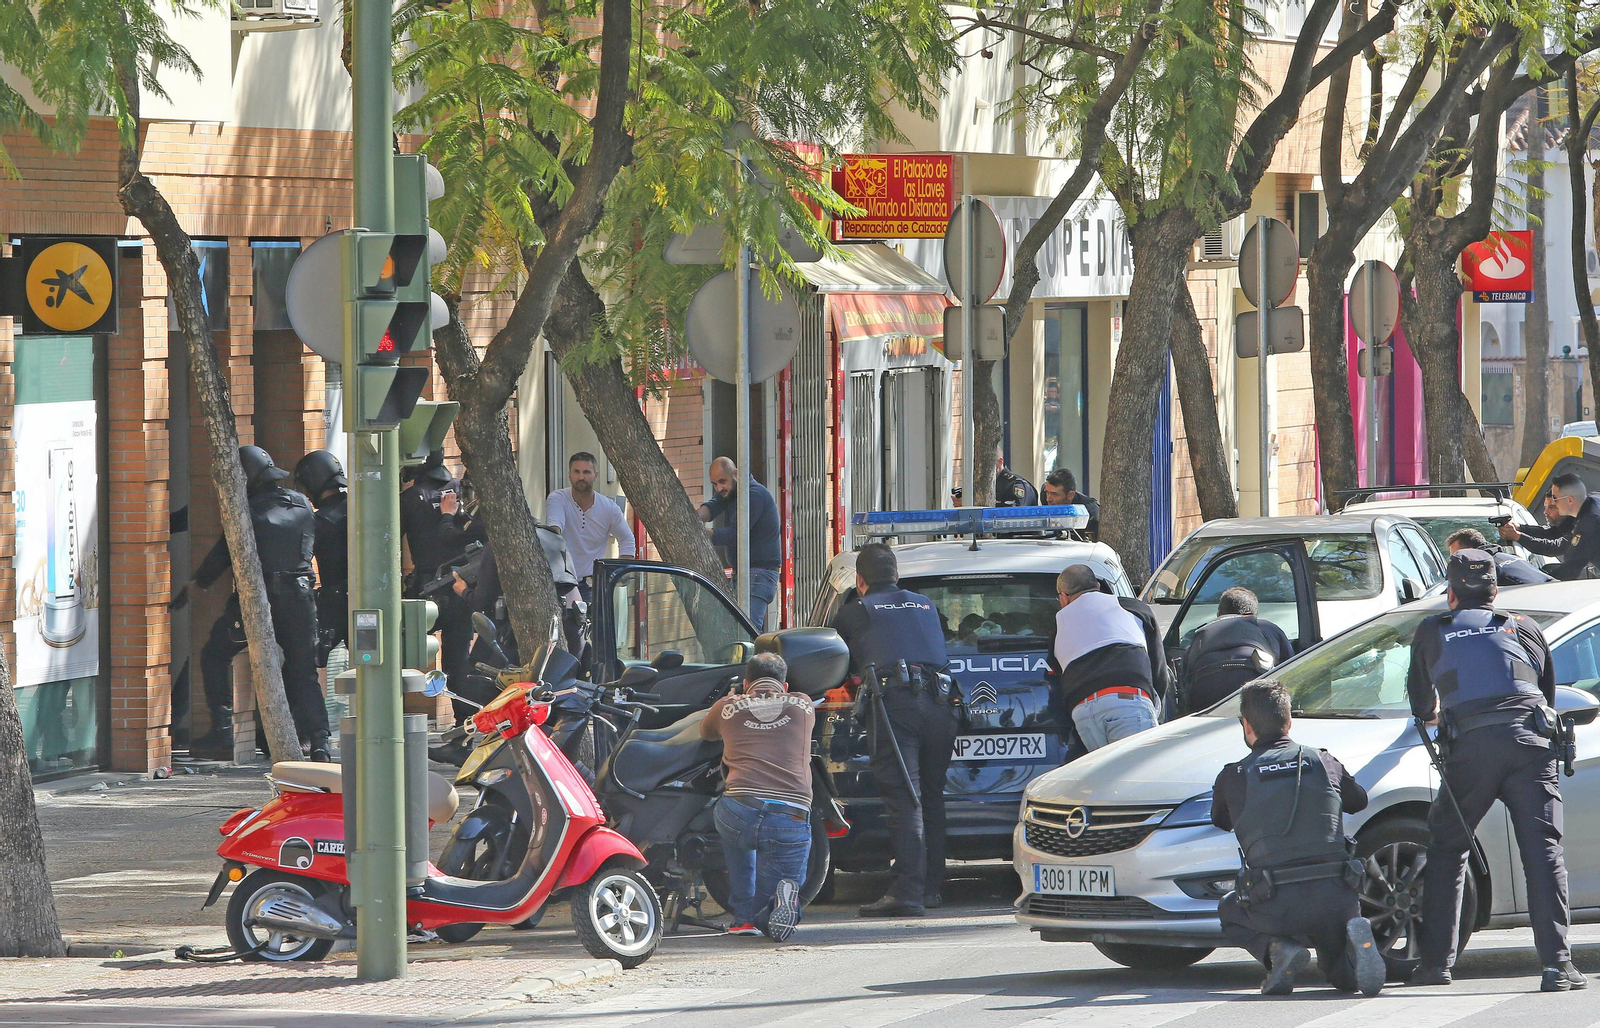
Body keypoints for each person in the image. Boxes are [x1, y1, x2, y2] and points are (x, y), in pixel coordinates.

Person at [1407, 548, 1584, 992]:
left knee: (1448, 847)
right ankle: (1557, 967)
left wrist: (1446, 710)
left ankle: (1435, 966)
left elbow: (1420, 706)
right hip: (1531, 746)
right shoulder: (1524, 627)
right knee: (1543, 854)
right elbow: (1545, 695)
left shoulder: (1433, 630)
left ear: (1450, 594)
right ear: (1495, 591)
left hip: (1470, 750)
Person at [1212, 681, 1386, 997]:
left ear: (1246, 725)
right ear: (1289, 721)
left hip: (1273, 902)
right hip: (1335, 896)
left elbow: (1220, 821)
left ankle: (1277, 948)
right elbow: (1358, 800)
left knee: (1229, 909)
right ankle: (1353, 939)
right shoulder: (1324, 760)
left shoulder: (1234, 776)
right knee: (1346, 981)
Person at [830, 542, 958, 917]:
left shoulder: (856, 611)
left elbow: (838, 666)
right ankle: (930, 885)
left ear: (860, 580)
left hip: (896, 705)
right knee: (930, 796)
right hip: (942, 703)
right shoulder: (925, 605)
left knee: (905, 799)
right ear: (897, 575)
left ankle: (907, 891)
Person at [189, 446, 326, 762]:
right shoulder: (303, 504)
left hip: (261, 599)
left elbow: (224, 553)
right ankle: (319, 741)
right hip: (302, 597)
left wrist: (199, 583)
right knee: (303, 671)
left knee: (214, 652)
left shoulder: (245, 511)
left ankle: (223, 729)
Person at [700, 651, 815, 940]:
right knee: (781, 885)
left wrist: (731, 699)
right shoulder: (803, 704)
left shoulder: (728, 705)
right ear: (785, 686)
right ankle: (777, 902)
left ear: (746, 682)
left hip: (739, 811)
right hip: (790, 814)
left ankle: (743, 918)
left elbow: (706, 733)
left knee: (735, 832)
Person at [1052, 564, 1167, 750]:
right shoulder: (1132, 608)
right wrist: (1157, 710)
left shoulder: (1059, 622)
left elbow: (1056, 671)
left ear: (1063, 598)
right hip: (1128, 700)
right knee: (1139, 774)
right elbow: (1159, 668)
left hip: (1083, 712)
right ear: (1098, 586)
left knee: (1108, 777)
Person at [400, 449, 472, 691]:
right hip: (461, 586)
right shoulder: (462, 491)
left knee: (403, 649)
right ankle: (463, 718)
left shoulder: (410, 498)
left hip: (426, 586)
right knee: (458, 656)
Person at [1178, 587, 1295, 713]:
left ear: (1218, 615)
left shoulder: (1199, 635)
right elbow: (1292, 671)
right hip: (1259, 709)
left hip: (1207, 709)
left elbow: (1185, 682)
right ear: (1255, 615)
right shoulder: (1269, 629)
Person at [697, 457, 781, 630]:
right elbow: (712, 506)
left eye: (722, 481)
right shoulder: (731, 492)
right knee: (741, 631)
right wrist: (693, 519)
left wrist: (703, 534)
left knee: (748, 630)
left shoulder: (754, 495)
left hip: (759, 574)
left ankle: (755, 658)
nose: (719, 488)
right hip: (745, 574)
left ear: (735, 474)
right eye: (714, 484)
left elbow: (736, 534)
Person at [545, 451, 636, 602]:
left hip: (592, 585)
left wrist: (619, 573)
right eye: (576, 472)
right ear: (570, 475)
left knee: (596, 625)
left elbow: (627, 539)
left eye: (586, 472)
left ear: (595, 475)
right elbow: (554, 529)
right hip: (562, 584)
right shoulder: (558, 499)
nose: (581, 477)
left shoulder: (609, 508)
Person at [293, 450, 349, 666]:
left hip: (335, 604)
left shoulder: (320, 521)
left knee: (303, 663)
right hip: (370, 601)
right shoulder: (362, 508)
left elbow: (300, 561)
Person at [1499, 474, 1600, 580]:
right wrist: (1521, 528)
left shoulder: (1589, 524)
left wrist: (1539, 584)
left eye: (1555, 499)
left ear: (1570, 500)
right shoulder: (1591, 501)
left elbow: (1570, 567)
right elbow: (1554, 532)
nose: (1554, 504)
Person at [1445, 527, 1551, 586]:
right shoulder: (1507, 556)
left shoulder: (1482, 568)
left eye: (1456, 556)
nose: (1454, 561)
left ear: (1469, 551)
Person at [1042, 468, 1100, 540]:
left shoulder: (1090, 513)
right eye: (1047, 492)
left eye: (1055, 494)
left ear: (1070, 495)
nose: (1048, 499)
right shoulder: (1045, 497)